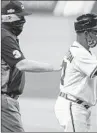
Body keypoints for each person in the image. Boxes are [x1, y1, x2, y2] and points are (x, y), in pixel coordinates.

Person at [1, 1, 61, 132]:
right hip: (3, 101)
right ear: (9, 17)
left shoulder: (6, 35)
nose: (23, 20)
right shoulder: (4, 36)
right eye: (20, 16)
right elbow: (22, 64)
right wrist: (52, 67)